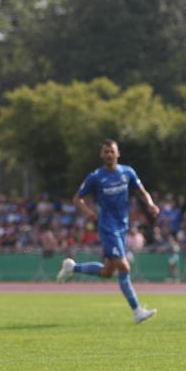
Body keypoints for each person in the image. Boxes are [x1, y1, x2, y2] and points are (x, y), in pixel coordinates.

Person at [56, 139, 160, 324]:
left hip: (122, 226)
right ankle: (137, 311)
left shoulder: (127, 172)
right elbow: (77, 199)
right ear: (101, 155)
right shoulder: (95, 177)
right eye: (105, 152)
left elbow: (142, 191)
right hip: (107, 226)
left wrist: (150, 204)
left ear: (117, 153)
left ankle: (72, 267)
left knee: (107, 272)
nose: (109, 155)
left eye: (111, 151)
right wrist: (89, 213)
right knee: (124, 267)